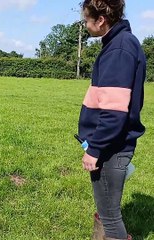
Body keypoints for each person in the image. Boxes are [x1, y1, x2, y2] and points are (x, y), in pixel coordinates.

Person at [78, 0, 146, 239]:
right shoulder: (119, 43)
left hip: (111, 148)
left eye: (86, 19)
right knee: (106, 210)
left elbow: (114, 111)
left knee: (110, 216)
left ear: (101, 20)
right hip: (111, 145)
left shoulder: (119, 48)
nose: (85, 24)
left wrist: (95, 149)